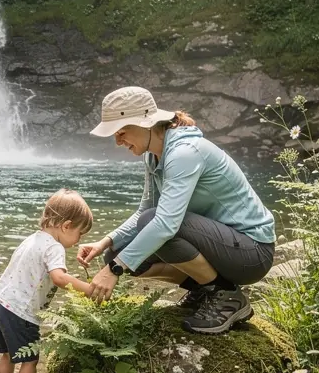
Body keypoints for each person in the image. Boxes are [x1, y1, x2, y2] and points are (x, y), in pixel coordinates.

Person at [79, 86, 276, 334]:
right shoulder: (154, 156)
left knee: (149, 234)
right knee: (117, 252)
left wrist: (115, 270)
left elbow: (164, 223)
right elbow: (145, 211)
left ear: (146, 124)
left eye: (121, 132)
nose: (118, 142)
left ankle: (225, 294)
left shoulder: (184, 153)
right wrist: (106, 243)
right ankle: (204, 289)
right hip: (222, 245)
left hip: (252, 252)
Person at [0, 189, 95, 373]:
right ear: (66, 226)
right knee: (30, 360)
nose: (79, 240)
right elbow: (58, 277)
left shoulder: (32, 239)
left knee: (6, 355)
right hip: (20, 312)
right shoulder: (54, 247)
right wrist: (88, 290)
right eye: (80, 233)